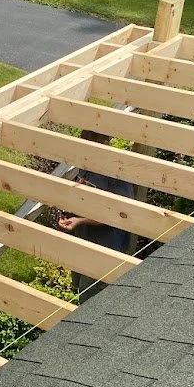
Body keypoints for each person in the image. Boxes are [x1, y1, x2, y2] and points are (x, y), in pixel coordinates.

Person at [57, 129, 135, 302]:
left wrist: (79, 220)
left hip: (105, 248)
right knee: (78, 288)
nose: (84, 151)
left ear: (104, 144)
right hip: (84, 242)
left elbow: (118, 213)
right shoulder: (88, 165)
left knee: (91, 299)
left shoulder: (118, 172)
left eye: (89, 145)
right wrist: (68, 212)